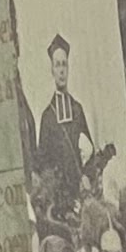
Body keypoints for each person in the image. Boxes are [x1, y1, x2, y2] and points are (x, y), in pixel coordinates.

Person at [33, 33, 95, 213]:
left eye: (64, 65)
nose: (61, 70)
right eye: (57, 65)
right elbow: (43, 162)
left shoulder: (77, 110)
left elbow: (90, 152)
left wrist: (87, 176)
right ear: (52, 71)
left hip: (81, 193)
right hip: (59, 199)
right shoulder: (47, 117)